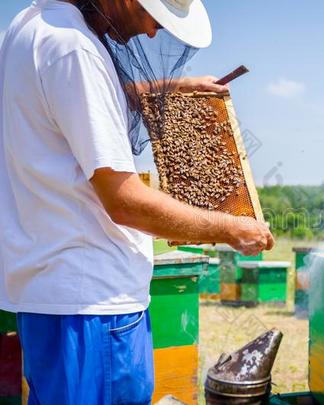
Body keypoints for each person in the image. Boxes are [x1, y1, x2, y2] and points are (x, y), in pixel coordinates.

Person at [0, 0, 274, 403]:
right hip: (93, 304)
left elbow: (74, 102)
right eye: (153, 17)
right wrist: (229, 227)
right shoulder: (74, 48)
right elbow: (125, 202)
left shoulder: (30, 28)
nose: (150, 32)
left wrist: (166, 89)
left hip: (56, 295)